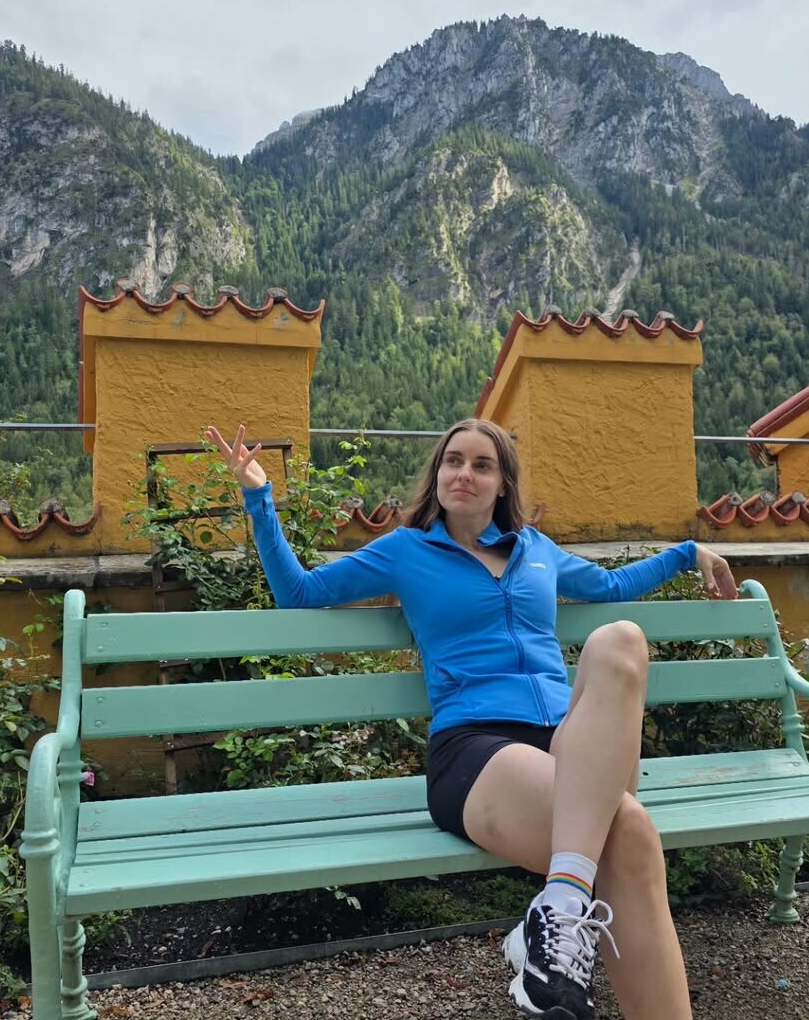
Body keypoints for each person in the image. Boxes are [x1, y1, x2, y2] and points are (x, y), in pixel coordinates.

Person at [206, 418, 737, 1020]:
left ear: (502, 483)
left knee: (621, 639)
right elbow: (299, 592)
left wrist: (689, 552)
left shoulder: (536, 550)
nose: (464, 473)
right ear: (437, 475)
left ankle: (555, 911)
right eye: (453, 461)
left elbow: (611, 584)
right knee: (631, 832)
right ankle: (561, 907)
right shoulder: (406, 550)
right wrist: (258, 495)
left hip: (570, 747)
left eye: (482, 465)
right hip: (477, 749)